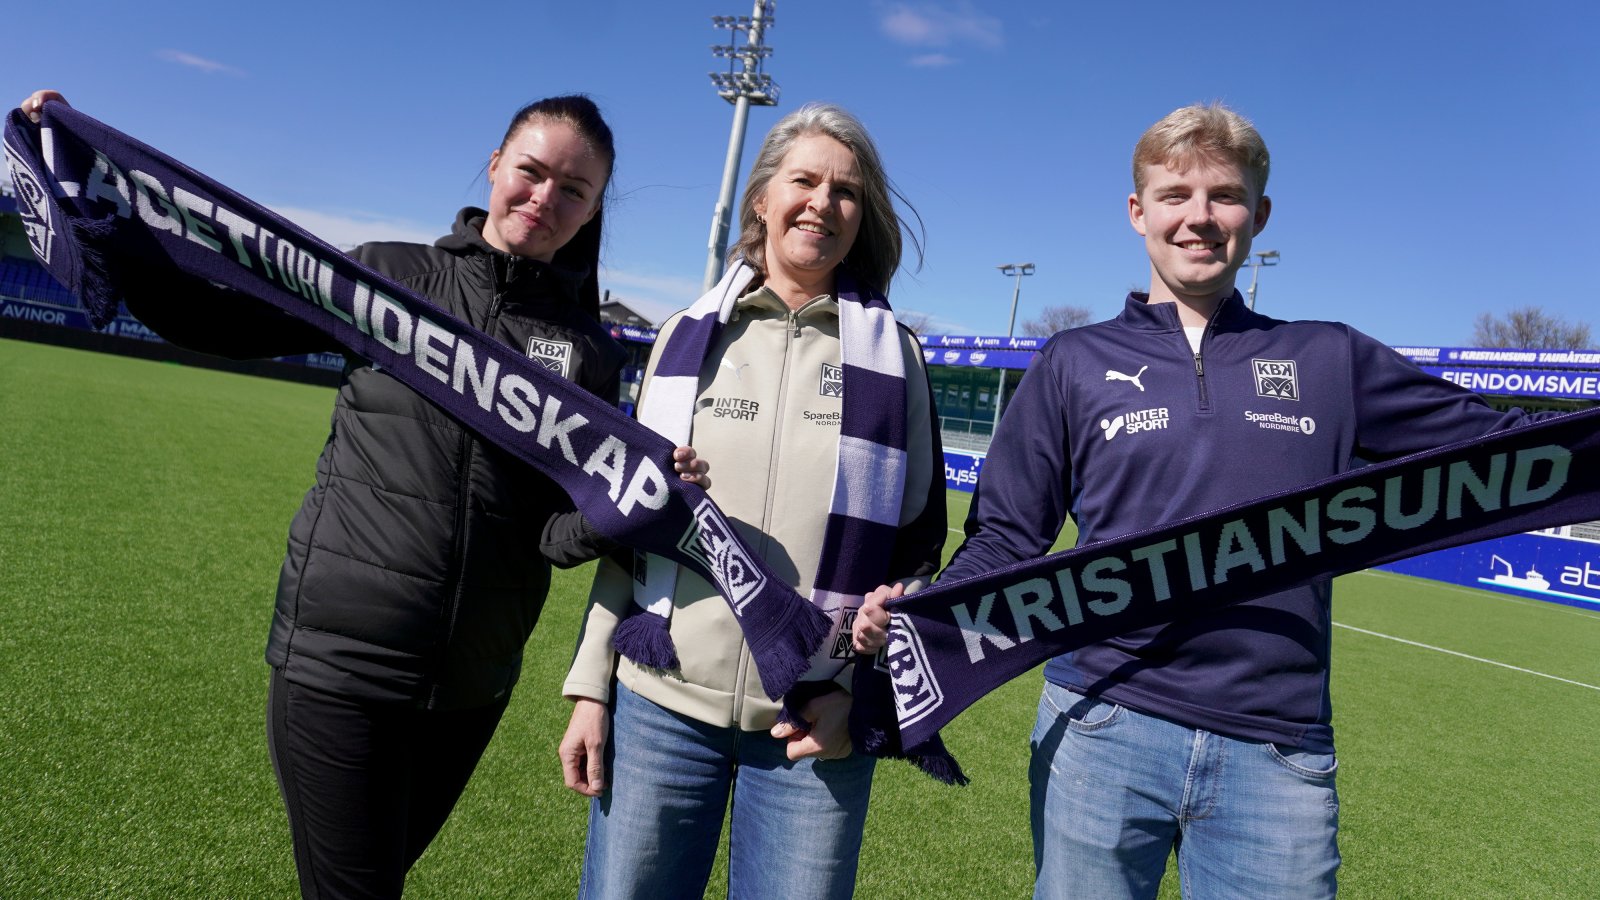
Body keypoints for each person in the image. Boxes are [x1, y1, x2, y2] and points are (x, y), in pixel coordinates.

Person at [854, 102, 1562, 899]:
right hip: (1101, 721)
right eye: (1175, 195)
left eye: (1224, 196)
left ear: (1258, 215)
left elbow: (1511, 449)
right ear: (1139, 212)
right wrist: (923, 608)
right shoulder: (1072, 361)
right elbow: (1008, 539)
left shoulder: (1329, 357)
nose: (1199, 217)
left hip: (1278, 749)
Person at [17, 89, 704, 900]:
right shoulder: (387, 277)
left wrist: (626, 509)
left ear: (591, 211)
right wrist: (88, 186)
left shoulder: (588, 351)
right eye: (531, 171)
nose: (545, 198)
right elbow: (223, 323)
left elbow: (550, 534)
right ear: (495, 166)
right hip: (340, 661)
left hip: (472, 685)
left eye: (574, 190)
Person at [555, 103, 946, 900]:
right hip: (660, 706)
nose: (823, 202)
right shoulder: (684, 337)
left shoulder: (897, 358)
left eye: (845, 191)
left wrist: (857, 694)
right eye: (804, 181)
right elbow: (634, 527)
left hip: (815, 722)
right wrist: (592, 684)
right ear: (762, 199)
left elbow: (917, 555)